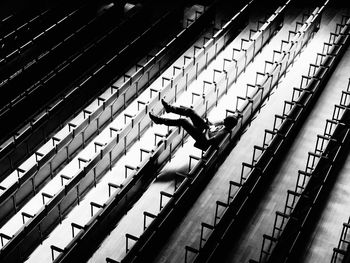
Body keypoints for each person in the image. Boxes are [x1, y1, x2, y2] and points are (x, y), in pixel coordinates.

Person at [149, 99, 238, 150]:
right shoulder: (224, 125)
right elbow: (214, 125)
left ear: (228, 123)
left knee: (183, 121)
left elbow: (208, 141)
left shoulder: (223, 133)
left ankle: (159, 120)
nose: (224, 118)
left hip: (202, 138)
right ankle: (169, 108)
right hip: (206, 129)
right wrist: (209, 124)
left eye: (226, 119)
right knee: (191, 112)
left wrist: (207, 129)